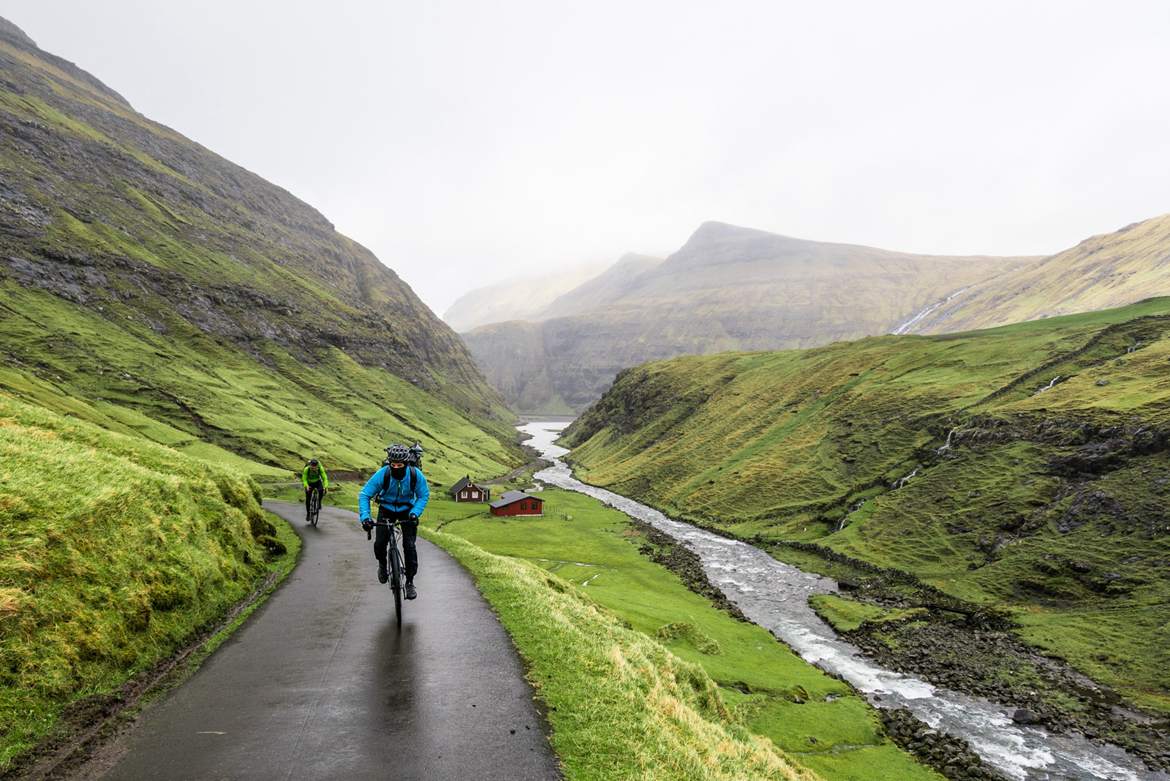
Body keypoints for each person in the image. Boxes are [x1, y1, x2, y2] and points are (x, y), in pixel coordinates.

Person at [358, 443, 429, 599]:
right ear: (389, 463)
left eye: (400, 465)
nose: (396, 467)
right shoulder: (383, 474)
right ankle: (382, 565)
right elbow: (365, 495)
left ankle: (410, 582)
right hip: (386, 508)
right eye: (393, 465)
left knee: (409, 546)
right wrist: (365, 517)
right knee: (380, 543)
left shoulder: (415, 474)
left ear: (406, 464)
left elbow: (423, 495)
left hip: (407, 510)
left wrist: (415, 513)